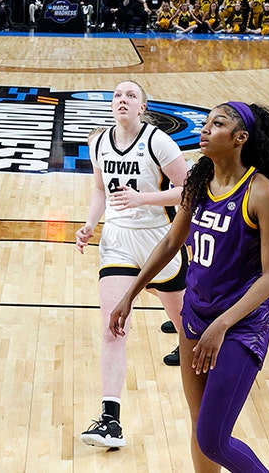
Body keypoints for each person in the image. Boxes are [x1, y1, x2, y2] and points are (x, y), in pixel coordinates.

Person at [110, 101, 269, 473]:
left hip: (239, 325)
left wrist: (222, 325)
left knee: (214, 437)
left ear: (240, 138)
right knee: (199, 431)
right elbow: (169, 243)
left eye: (218, 124)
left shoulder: (263, 194)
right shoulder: (198, 180)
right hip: (196, 317)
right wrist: (129, 294)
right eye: (206, 122)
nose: (205, 129)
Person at [75, 81, 191, 449]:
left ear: (142, 107)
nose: (122, 100)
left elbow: (189, 190)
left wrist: (144, 198)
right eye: (117, 95)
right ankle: (111, 420)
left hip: (160, 242)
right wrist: (91, 223)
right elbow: (99, 190)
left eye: (131, 96)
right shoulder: (98, 142)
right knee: (113, 326)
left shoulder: (158, 141)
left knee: (187, 326)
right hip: (118, 243)